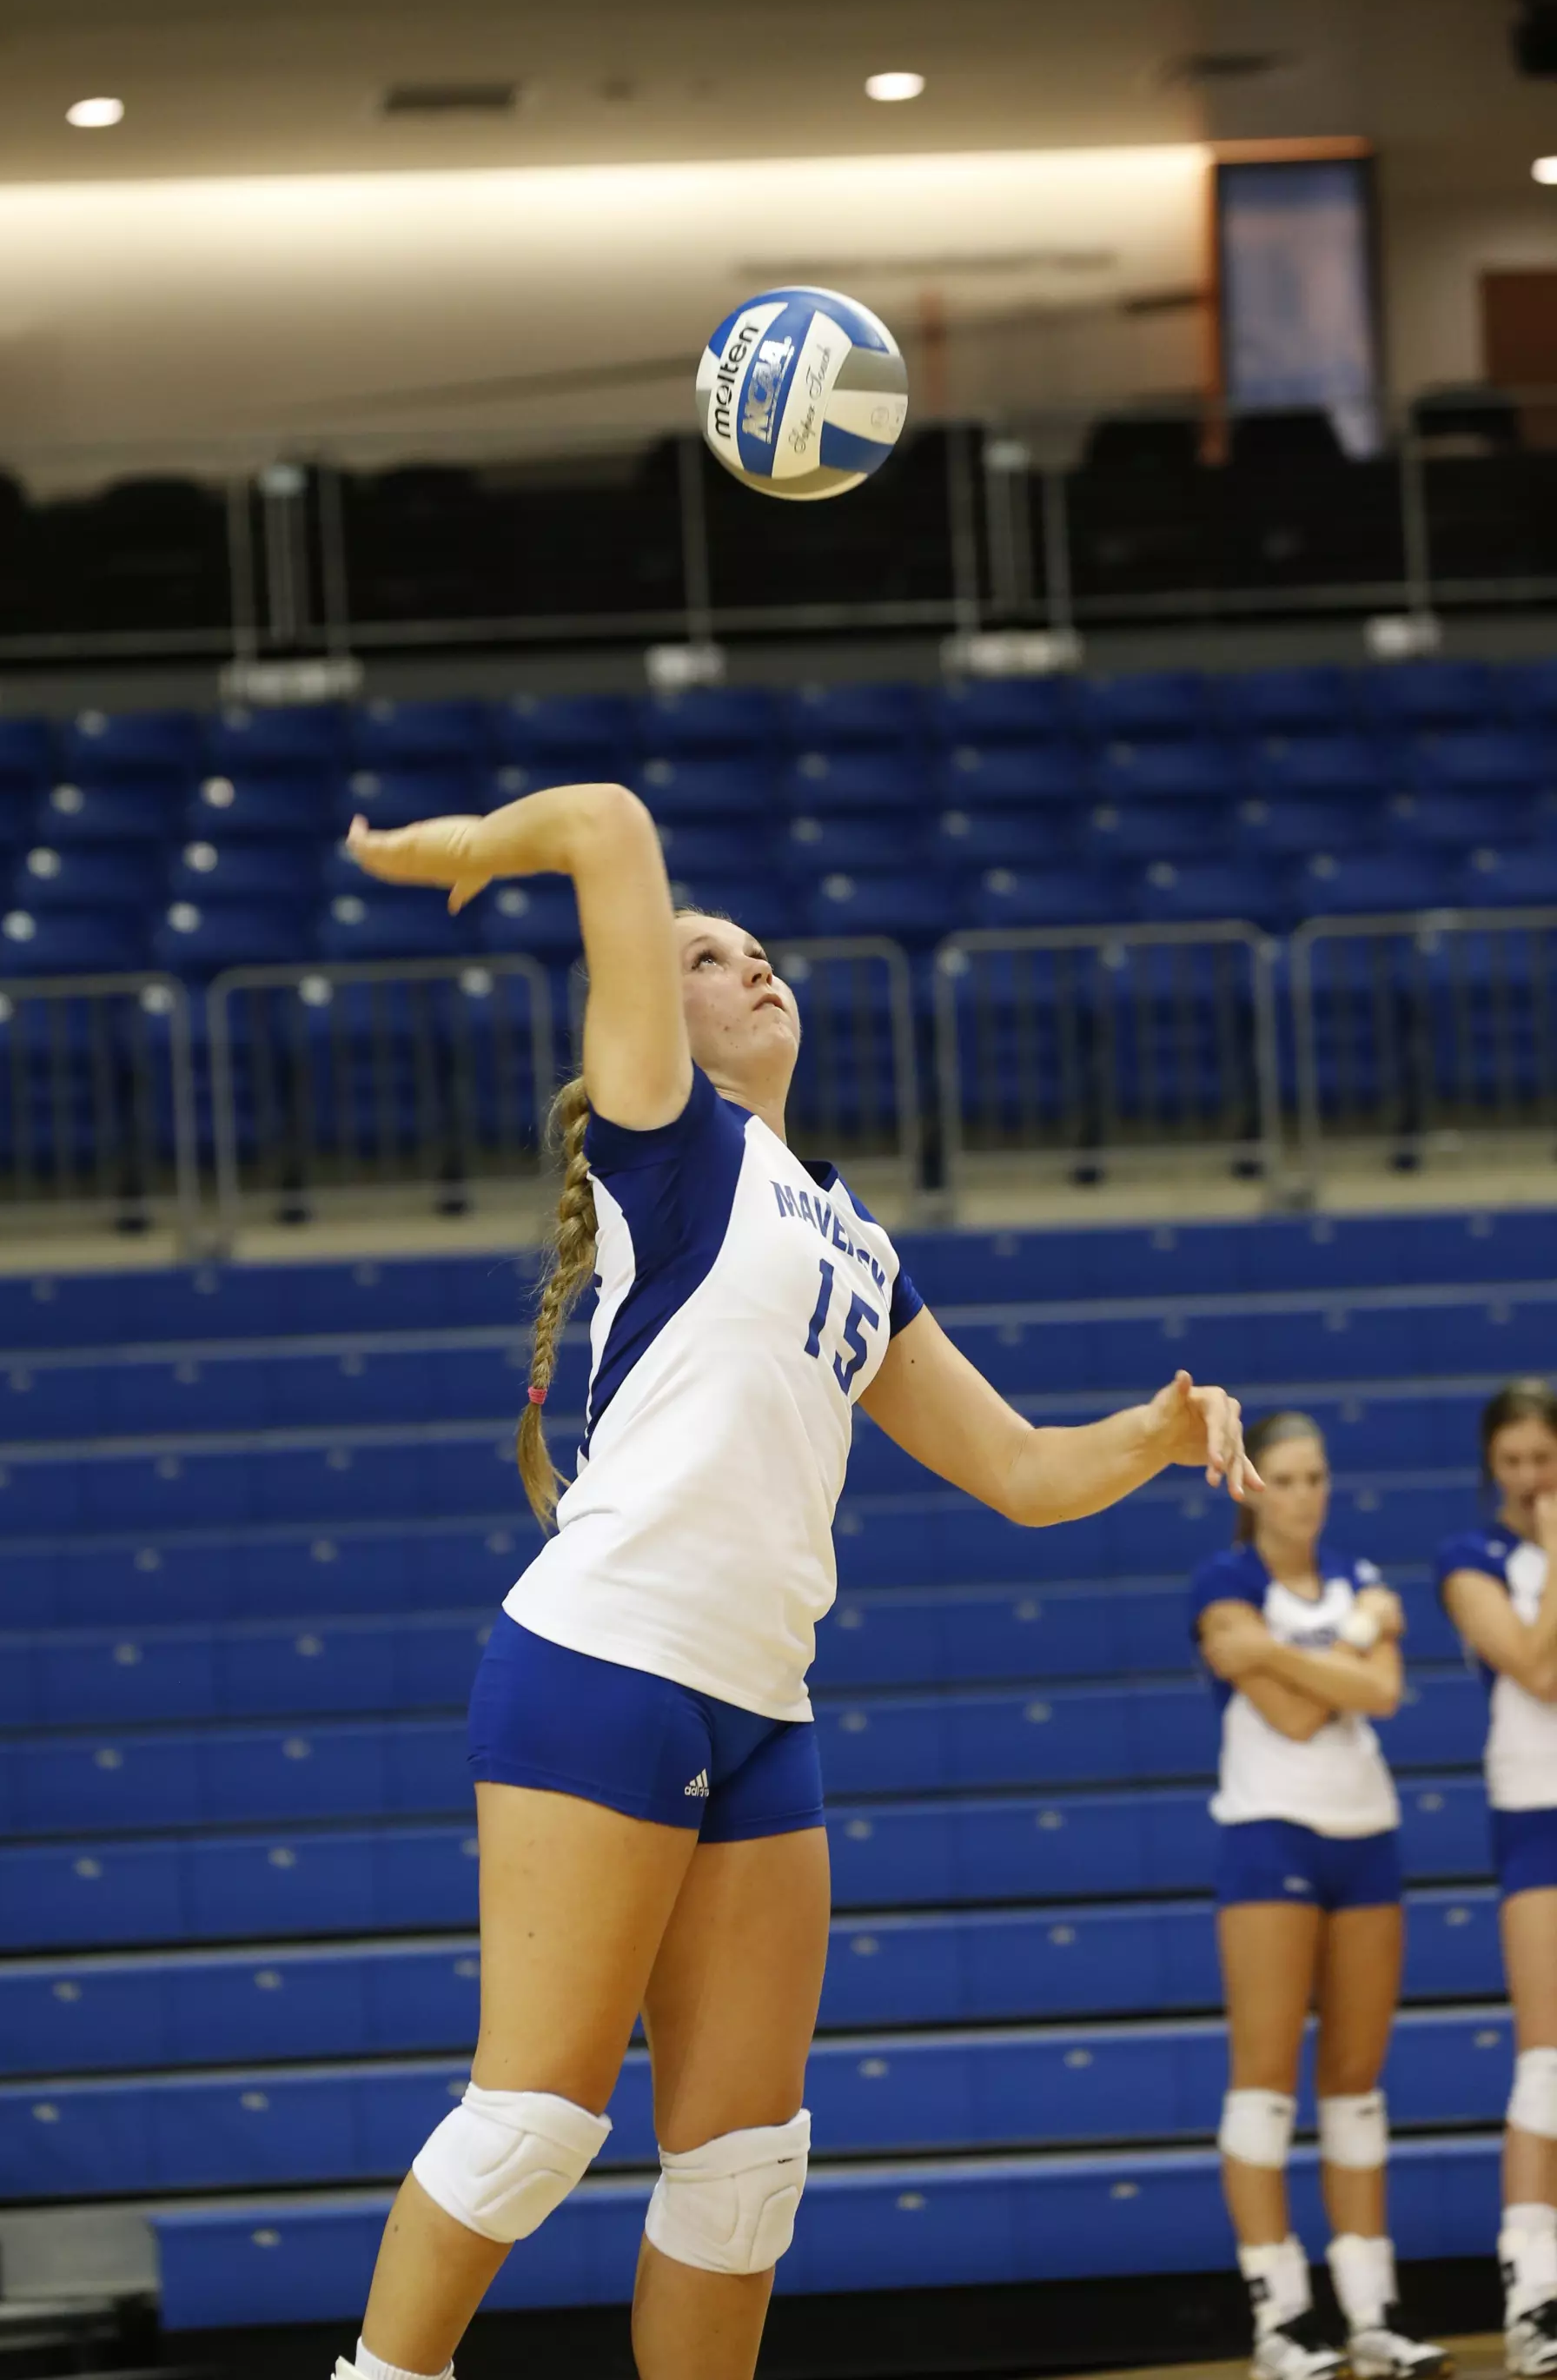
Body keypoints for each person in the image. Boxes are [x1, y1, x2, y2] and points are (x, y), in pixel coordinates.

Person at [335, 779, 1260, 2380]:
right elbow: (616, 826)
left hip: (763, 1705)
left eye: (761, 949)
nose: (752, 964)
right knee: (535, 2124)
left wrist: (1156, 1433)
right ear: (644, 1018)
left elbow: (1026, 1477)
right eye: (707, 956)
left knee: (748, 2171)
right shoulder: (667, 1143)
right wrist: (481, 849)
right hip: (604, 1662)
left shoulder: (855, 1239)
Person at [1192, 1409, 1448, 2380]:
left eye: (1315, 1478)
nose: (1304, 1494)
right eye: (1287, 1478)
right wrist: (1345, 1647)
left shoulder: (1361, 1580)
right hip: (1268, 1837)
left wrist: (1279, 1649)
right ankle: (1280, 2322)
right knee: (1262, 2086)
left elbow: (1379, 1698)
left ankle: (1370, 2315)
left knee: (1354, 2085)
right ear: (1257, 1488)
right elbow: (1296, 1718)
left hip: (1365, 1837)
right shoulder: (1221, 1582)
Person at [1436, 1379, 1557, 2378]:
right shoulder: (1470, 1560)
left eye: (1543, 1461)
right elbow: (1534, 1665)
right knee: (1545, 2061)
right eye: (1512, 1463)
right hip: (1536, 1815)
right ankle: (1531, 2292)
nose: (1528, 1481)